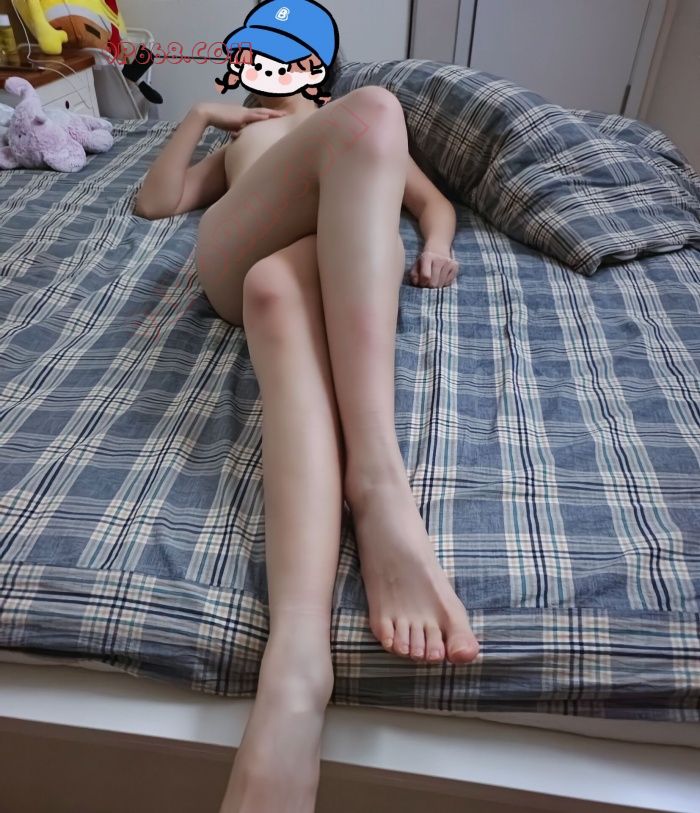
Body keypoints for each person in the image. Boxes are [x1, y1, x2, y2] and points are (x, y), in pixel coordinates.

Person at [134, 6, 481, 813]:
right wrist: (201, 116)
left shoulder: (344, 122)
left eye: (287, 57)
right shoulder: (244, 136)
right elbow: (154, 204)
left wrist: (438, 246)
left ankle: (295, 671)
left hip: (315, 261)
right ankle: (380, 488)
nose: (267, 69)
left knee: (276, 288)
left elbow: (432, 205)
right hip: (241, 240)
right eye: (256, 55)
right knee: (374, 115)